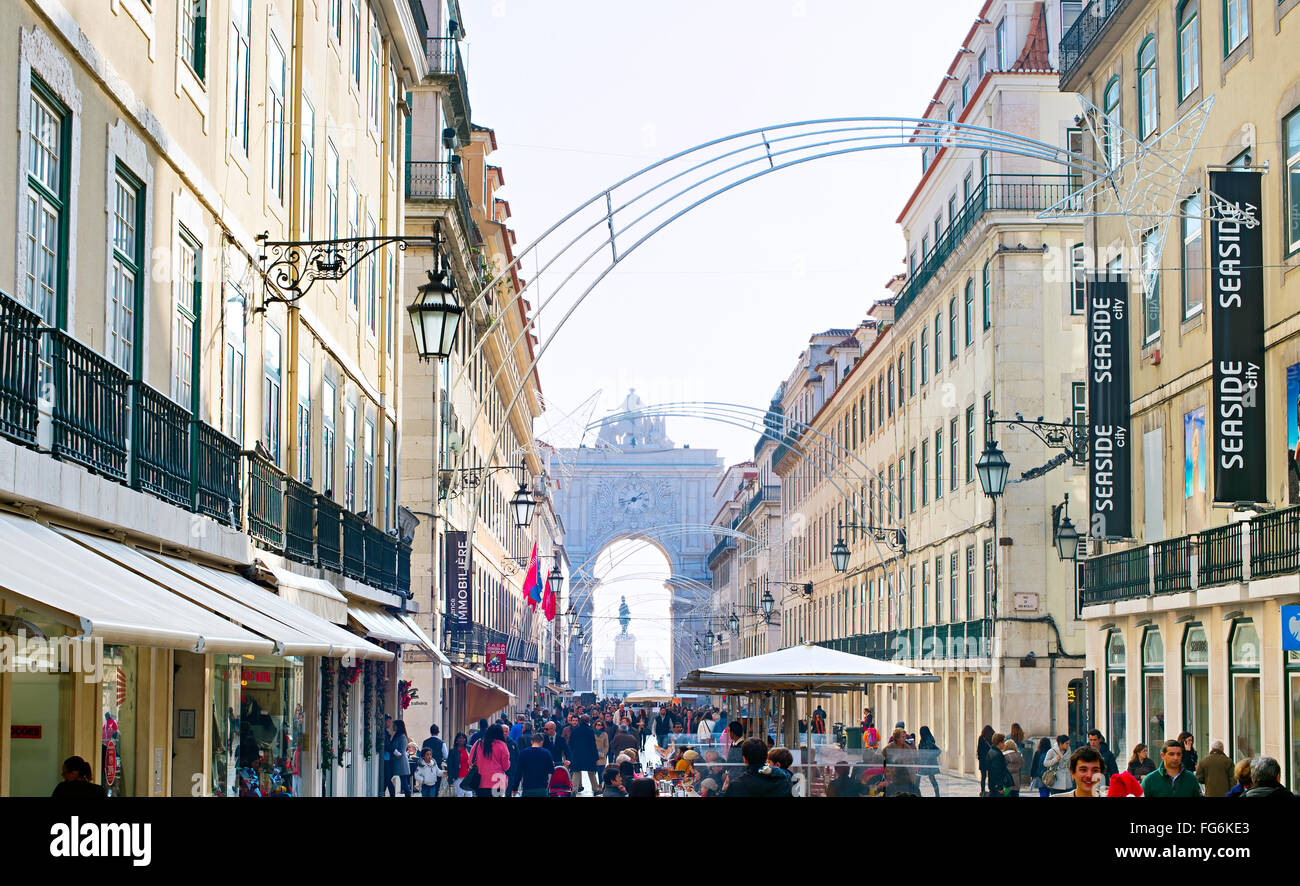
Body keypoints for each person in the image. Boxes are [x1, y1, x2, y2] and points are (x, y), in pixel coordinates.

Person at [721, 739, 792, 797]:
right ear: (766, 757)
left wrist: (724, 791)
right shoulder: (783, 781)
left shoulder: (736, 786)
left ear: (744, 759)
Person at [470, 723, 513, 797]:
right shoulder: (502, 745)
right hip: (498, 782)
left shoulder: (479, 743)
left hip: (481, 781)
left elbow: (471, 761)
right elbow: (506, 766)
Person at [515, 732, 556, 797]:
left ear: (531, 741)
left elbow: (518, 772)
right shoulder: (546, 753)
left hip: (528, 787)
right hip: (542, 787)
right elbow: (551, 770)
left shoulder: (523, 753)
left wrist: (515, 787)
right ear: (542, 742)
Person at [568, 715, 601, 796]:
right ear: (588, 721)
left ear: (580, 721)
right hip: (589, 755)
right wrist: (596, 757)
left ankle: (574, 790)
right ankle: (595, 789)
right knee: (591, 772)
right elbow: (593, 745)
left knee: (576, 772)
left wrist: (572, 753)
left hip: (577, 755)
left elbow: (570, 743)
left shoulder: (575, 730)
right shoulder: (590, 731)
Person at [386, 719, 412, 797]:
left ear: (398, 726)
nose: (393, 727)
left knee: (404, 782)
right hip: (399, 761)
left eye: (394, 725)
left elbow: (397, 748)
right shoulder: (399, 735)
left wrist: (393, 749)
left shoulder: (401, 736)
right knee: (403, 781)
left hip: (401, 761)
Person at [985, 732, 1013, 797]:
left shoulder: (991, 751)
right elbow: (997, 771)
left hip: (994, 784)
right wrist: (1000, 787)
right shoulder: (997, 754)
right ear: (999, 743)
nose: (1004, 744)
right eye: (1003, 742)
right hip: (999, 785)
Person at [420, 724, 446, 795]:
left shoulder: (425, 742)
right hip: (437, 766)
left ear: (430, 732)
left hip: (425, 767)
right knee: (436, 788)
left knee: (425, 786)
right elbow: (446, 755)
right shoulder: (442, 743)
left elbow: (422, 754)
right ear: (438, 732)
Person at [917, 726, 942, 797]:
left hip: (928, 764)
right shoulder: (925, 740)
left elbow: (938, 750)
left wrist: (930, 756)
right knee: (930, 779)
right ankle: (937, 794)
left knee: (920, 779)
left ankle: (937, 795)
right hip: (925, 763)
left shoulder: (928, 741)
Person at [977, 725, 994, 795]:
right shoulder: (992, 739)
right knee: (990, 775)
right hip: (990, 760)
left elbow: (979, 750)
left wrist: (980, 758)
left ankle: (982, 790)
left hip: (983, 760)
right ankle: (990, 788)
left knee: (983, 776)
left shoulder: (981, 738)